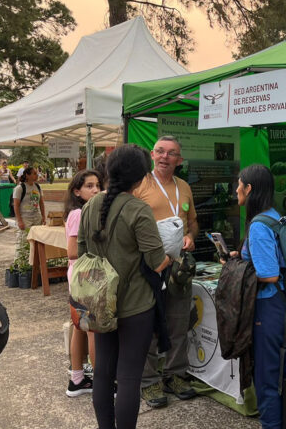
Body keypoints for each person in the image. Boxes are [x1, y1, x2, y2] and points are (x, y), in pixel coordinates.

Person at [78, 144, 172, 428]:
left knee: (104, 373)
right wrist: (173, 252)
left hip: (99, 302)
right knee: (130, 376)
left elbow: (82, 251)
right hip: (135, 305)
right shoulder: (139, 210)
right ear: (142, 177)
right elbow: (157, 263)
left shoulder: (91, 205)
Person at [232, 164, 286, 428]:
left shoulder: (258, 226)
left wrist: (239, 272)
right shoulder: (275, 216)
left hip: (266, 307)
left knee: (266, 379)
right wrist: (240, 257)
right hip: (281, 305)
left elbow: (269, 273)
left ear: (249, 189)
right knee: (283, 372)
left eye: (239, 185)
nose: (236, 189)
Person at [134, 135, 199, 408]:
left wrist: (191, 237)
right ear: (151, 154)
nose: (165, 157)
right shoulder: (139, 185)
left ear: (179, 160)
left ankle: (175, 375)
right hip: (149, 267)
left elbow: (192, 222)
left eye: (171, 153)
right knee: (148, 325)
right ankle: (149, 382)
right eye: (160, 151)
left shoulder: (183, 187)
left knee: (178, 322)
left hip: (178, 268)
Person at [64, 170, 101, 397]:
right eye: (89, 186)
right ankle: (102, 382)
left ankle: (77, 378)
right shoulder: (79, 213)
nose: (95, 190)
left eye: (97, 185)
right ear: (77, 191)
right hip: (84, 277)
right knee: (93, 331)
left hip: (79, 276)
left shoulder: (83, 211)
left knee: (79, 327)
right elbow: (71, 250)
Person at [12, 166, 45, 267]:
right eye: (34, 173)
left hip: (36, 218)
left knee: (37, 242)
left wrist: (43, 216)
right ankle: (20, 264)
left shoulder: (38, 187)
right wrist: (20, 221)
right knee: (23, 242)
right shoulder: (20, 188)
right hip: (25, 218)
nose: (36, 175)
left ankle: (34, 264)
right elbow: (16, 206)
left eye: (37, 173)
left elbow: (41, 203)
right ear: (27, 175)